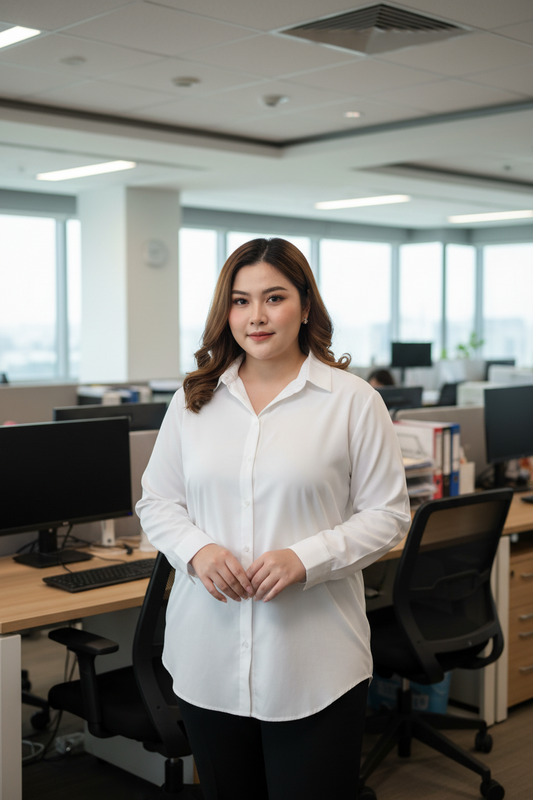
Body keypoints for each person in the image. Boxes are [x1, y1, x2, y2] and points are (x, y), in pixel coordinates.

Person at [136, 238, 410, 800]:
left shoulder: (353, 401)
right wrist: (198, 551)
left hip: (314, 664)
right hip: (206, 658)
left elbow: (388, 516)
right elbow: (156, 501)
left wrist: (303, 559)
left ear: (305, 306)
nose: (256, 316)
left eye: (274, 297)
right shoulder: (194, 400)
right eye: (240, 301)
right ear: (226, 312)